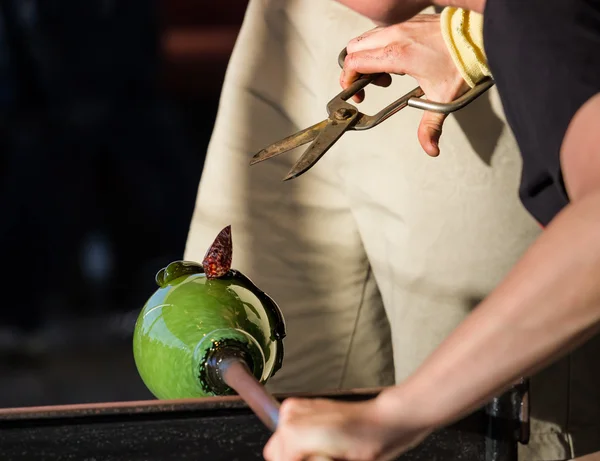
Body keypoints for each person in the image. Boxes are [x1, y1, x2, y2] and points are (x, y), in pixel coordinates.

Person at [182, 0, 597, 460]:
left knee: (469, 436)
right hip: (306, 25)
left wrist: (396, 415)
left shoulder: (548, 28)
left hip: (498, 39)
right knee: (264, 418)